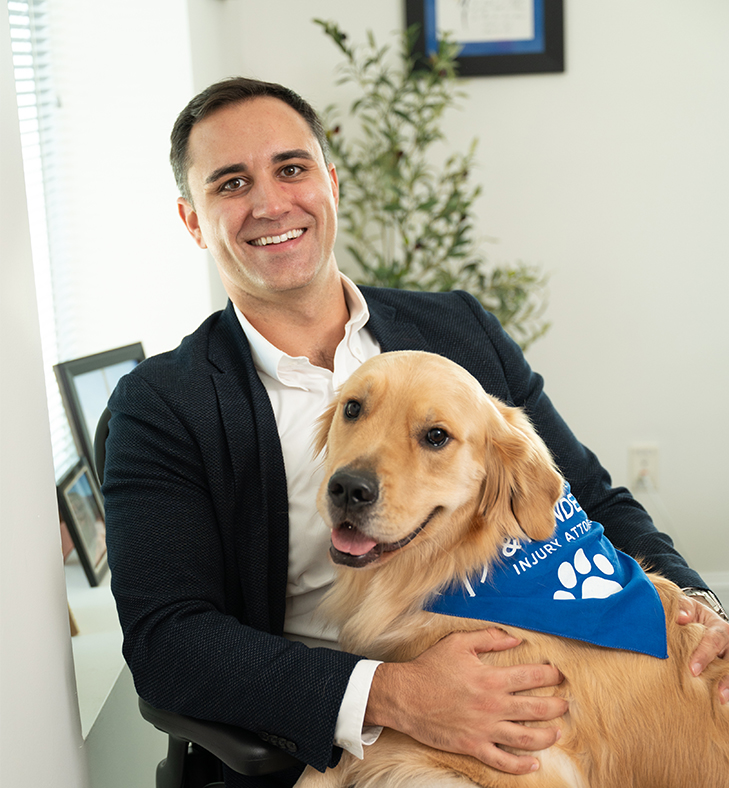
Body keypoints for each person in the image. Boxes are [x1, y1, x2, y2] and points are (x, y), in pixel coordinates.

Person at [103, 77, 729, 788]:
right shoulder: (162, 404)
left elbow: (588, 497)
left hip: (569, 687)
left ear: (330, 184)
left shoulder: (457, 328)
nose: (271, 203)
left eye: (291, 168)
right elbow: (169, 639)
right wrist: (393, 693)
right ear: (192, 220)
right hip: (340, 730)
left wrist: (699, 612)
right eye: (231, 183)